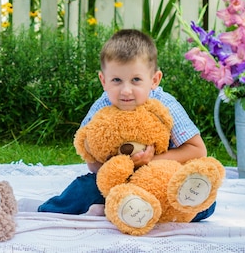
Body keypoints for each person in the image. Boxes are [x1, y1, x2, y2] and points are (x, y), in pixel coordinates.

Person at [38, 29, 215, 221]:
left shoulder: (165, 104)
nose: (126, 90)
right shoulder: (102, 106)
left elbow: (197, 150)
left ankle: (123, 210)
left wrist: (151, 161)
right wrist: (121, 166)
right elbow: (91, 159)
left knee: (204, 201)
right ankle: (52, 209)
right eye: (116, 80)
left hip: (160, 179)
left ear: (154, 80)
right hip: (118, 181)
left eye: (136, 80)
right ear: (103, 81)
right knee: (85, 189)